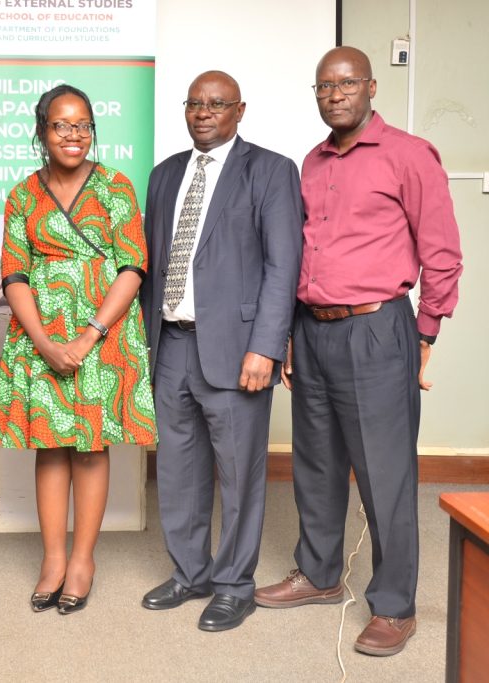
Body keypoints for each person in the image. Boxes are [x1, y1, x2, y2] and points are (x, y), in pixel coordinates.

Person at [255, 47, 463, 656]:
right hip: (313, 331)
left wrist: (424, 332)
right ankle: (319, 574)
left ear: (370, 87)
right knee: (315, 462)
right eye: (324, 86)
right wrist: (292, 332)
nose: (335, 94)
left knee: (386, 472)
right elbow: (300, 255)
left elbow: (442, 251)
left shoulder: (409, 154)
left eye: (346, 84)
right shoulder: (311, 163)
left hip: (378, 329)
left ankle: (395, 605)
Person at [138, 71, 303, 631]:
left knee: (238, 473)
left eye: (217, 104)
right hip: (171, 345)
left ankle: (235, 584)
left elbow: (284, 267)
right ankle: (190, 573)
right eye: (195, 104)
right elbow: (152, 265)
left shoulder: (271, 170)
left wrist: (267, 346)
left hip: (237, 351)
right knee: (178, 470)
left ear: (240, 111)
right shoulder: (164, 176)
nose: (204, 113)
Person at [0, 84, 156, 614]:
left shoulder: (115, 187)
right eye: (62, 125)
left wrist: (88, 336)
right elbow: (13, 271)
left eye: (83, 124)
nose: (74, 135)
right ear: (42, 132)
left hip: (102, 334)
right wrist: (43, 342)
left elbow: (133, 266)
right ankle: (53, 559)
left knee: (90, 446)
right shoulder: (22, 194)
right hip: (40, 335)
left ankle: (83, 560)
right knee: (51, 445)